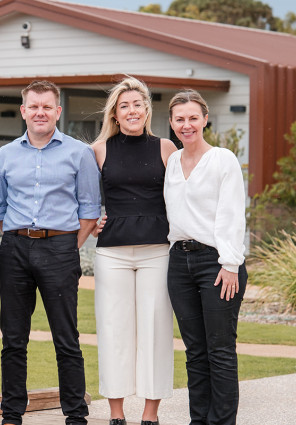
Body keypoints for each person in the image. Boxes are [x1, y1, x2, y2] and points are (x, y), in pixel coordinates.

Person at [0, 80, 101, 425]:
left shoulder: (78, 154)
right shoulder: (4, 155)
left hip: (61, 248)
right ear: (23, 111)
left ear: (58, 111)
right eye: (33, 106)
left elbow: (90, 209)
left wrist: (69, 245)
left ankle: (76, 414)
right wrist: (20, 237)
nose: (40, 112)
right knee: (13, 339)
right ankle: (11, 415)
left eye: (46, 106)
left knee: (66, 337)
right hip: (15, 249)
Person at [91, 77, 178, 425]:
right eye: (124, 105)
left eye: (137, 105)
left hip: (157, 251)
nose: (132, 111)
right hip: (112, 252)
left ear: (146, 109)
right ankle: (115, 414)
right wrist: (92, 221)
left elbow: (179, 200)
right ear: (115, 112)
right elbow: (83, 199)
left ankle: (150, 414)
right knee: (114, 330)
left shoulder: (166, 148)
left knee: (155, 330)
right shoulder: (98, 151)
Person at [164, 90, 248, 425]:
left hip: (216, 265)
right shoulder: (171, 162)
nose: (187, 125)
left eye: (193, 118)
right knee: (195, 352)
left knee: (221, 351)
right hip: (179, 263)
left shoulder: (222, 159)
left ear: (205, 119)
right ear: (171, 122)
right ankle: (198, 420)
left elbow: (231, 215)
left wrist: (230, 265)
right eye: (180, 119)